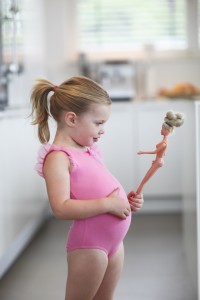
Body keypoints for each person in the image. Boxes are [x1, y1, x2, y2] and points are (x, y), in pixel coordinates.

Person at [30, 76, 144, 300]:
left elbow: (96, 188)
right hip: (90, 246)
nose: (103, 130)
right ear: (72, 118)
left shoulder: (87, 150)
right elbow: (61, 208)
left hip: (114, 243)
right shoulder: (58, 158)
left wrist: (124, 202)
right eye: (98, 123)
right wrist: (108, 203)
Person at [136, 111, 184, 194]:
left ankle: (136, 196)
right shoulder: (165, 141)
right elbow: (163, 153)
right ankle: (136, 196)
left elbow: (155, 152)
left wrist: (143, 152)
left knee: (143, 181)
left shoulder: (164, 143)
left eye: (162, 128)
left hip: (158, 161)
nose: (161, 130)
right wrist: (158, 159)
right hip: (158, 161)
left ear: (167, 130)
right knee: (144, 181)